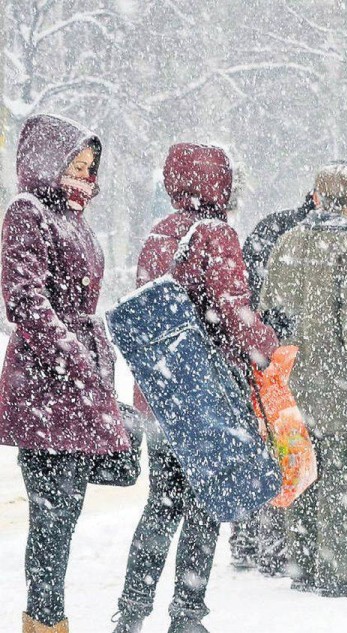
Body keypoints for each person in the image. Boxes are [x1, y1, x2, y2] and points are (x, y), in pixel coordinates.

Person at [112, 143, 278, 633]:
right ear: (219, 183)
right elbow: (234, 310)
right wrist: (269, 340)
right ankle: (187, 613)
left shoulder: (158, 233)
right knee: (207, 501)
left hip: (160, 397)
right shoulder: (216, 233)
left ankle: (131, 610)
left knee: (161, 505)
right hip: (206, 398)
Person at [0, 114, 130, 633]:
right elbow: (26, 301)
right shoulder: (28, 212)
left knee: (64, 516)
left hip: (76, 380)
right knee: (51, 518)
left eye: (89, 165)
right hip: (45, 383)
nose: (83, 173)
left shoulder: (73, 216)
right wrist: (74, 358)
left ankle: (47, 619)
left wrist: (95, 363)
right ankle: (46, 621)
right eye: (74, 163)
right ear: (46, 160)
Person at [260, 164, 347, 598]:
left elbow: (267, 316)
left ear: (316, 198)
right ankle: (338, 572)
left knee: (301, 472)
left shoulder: (287, 243)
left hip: (290, 387)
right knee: (344, 481)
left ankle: (303, 565)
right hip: (340, 388)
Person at [229, 189, 316, 574]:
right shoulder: (306, 236)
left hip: (255, 352)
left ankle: (245, 539)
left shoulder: (273, 225)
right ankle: (274, 545)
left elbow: (246, 289)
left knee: (257, 442)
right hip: (283, 355)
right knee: (286, 447)